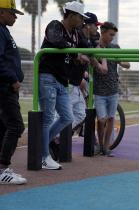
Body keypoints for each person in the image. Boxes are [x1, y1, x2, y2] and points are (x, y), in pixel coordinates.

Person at [39, 1, 91, 170]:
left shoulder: (76, 34)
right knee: (47, 118)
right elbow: (57, 41)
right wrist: (77, 54)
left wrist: (94, 58)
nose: (82, 21)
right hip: (48, 76)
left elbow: (88, 47)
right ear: (71, 15)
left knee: (67, 117)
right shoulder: (56, 26)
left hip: (62, 81)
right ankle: (43, 156)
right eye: (80, 17)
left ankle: (40, 145)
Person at [49, 12, 107, 160]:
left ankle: (55, 137)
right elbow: (78, 55)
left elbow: (90, 55)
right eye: (96, 25)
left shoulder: (84, 39)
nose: (97, 29)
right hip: (68, 82)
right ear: (88, 25)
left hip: (74, 82)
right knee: (63, 114)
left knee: (80, 114)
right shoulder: (78, 35)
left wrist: (94, 67)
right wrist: (96, 66)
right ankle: (51, 139)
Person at [0, 0, 27, 184]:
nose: (15, 16)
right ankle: (3, 169)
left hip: (7, 87)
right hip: (5, 87)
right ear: (1, 12)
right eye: (12, 12)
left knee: (3, 127)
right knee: (16, 126)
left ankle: (2, 169)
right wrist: (13, 78)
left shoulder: (4, 30)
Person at [94, 22, 130, 156]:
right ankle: (100, 144)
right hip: (99, 91)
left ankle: (106, 147)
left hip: (113, 90)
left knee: (110, 119)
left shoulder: (115, 47)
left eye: (114, 35)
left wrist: (120, 61)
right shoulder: (95, 47)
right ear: (102, 32)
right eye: (110, 35)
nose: (112, 38)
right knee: (101, 119)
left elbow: (127, 64)